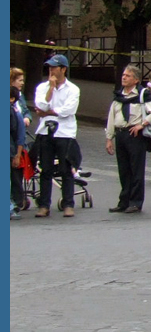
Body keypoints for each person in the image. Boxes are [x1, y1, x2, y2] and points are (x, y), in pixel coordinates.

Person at [104, 65, 151, 214]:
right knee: (124, 170)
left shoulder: (143, 95)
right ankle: (124, 201)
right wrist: (109, 138)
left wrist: (141, 125)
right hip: (121, 134)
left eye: (128, 76)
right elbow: (112, 118)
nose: (124, 77)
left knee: (136, 170)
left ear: (136, 80)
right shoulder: (118, 96)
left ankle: (135, 202)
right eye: (123, 75)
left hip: (135, 135)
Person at [31, 54, 80, 217]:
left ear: (63, 69)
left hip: (64, 133)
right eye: (50, 67)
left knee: (66, 169)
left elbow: (68, 111)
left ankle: (68, 204)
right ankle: (44, 205)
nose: (51, 70)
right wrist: (51, 89)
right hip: (46, 131)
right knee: (45, 169)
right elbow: (40, 105)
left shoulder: (73, 89)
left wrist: (49, 112)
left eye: (54, 67)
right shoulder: (42, 87)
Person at [11, 86, 27, 220]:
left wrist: (17, 155)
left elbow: (20, 136)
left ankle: (15, 205)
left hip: (11, 152)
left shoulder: (14, 113)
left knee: (15, 180)